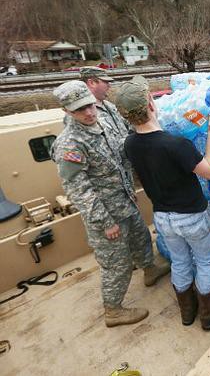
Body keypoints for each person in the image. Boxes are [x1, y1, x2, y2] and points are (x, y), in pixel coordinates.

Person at [50, 81, 169, 328]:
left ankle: (149, 270)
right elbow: (78, 190)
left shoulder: (102, 124)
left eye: (90, 106)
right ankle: (113, 310)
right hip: (106, 215)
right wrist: (105, 223)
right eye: (80, 109)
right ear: (67, 111)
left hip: (125, 202)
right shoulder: (70, 144)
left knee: (141, 238)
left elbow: (121, 155)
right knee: (117, 265)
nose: (89, 112)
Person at [115, 76, 210, 330]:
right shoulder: (175, 144)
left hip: (163, 217)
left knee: (180, 262)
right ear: (151, 104)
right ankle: (206, 317)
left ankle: (187, 313)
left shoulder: (130, 144)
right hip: (192, 216)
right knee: (205, 261)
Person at [80, 66, 131, 139]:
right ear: (92, 83)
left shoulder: (109, 105)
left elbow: (128, 124)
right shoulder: (82, 113)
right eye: (106, 82)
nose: (109, 86)